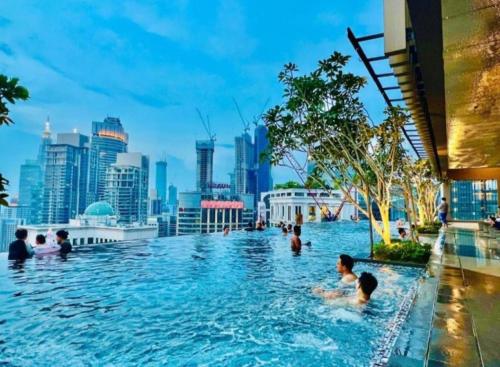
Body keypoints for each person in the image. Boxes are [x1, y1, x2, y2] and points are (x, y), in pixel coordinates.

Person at [314, 272, 378, 305]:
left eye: (357, 282)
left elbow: (328, 303)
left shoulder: (356, 302)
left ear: (359, 286)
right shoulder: (368, 300)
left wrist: (322, 294)